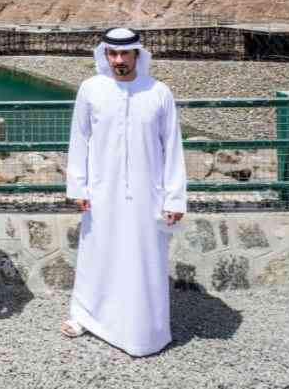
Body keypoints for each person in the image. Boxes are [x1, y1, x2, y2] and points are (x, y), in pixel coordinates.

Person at [62, 27, 187, 356]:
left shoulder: (158, 92)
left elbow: (173, 147)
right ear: (105, 55)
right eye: (113, 54)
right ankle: (85, 316)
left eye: (125, 54)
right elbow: (79, 139)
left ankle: (142, 330)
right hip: (100, 193)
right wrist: (78, 186)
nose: (119, 60)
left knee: (143, 260)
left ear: (137, 55)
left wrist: (175, 198)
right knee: (97, 255)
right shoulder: (91, 89)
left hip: (148, 195)